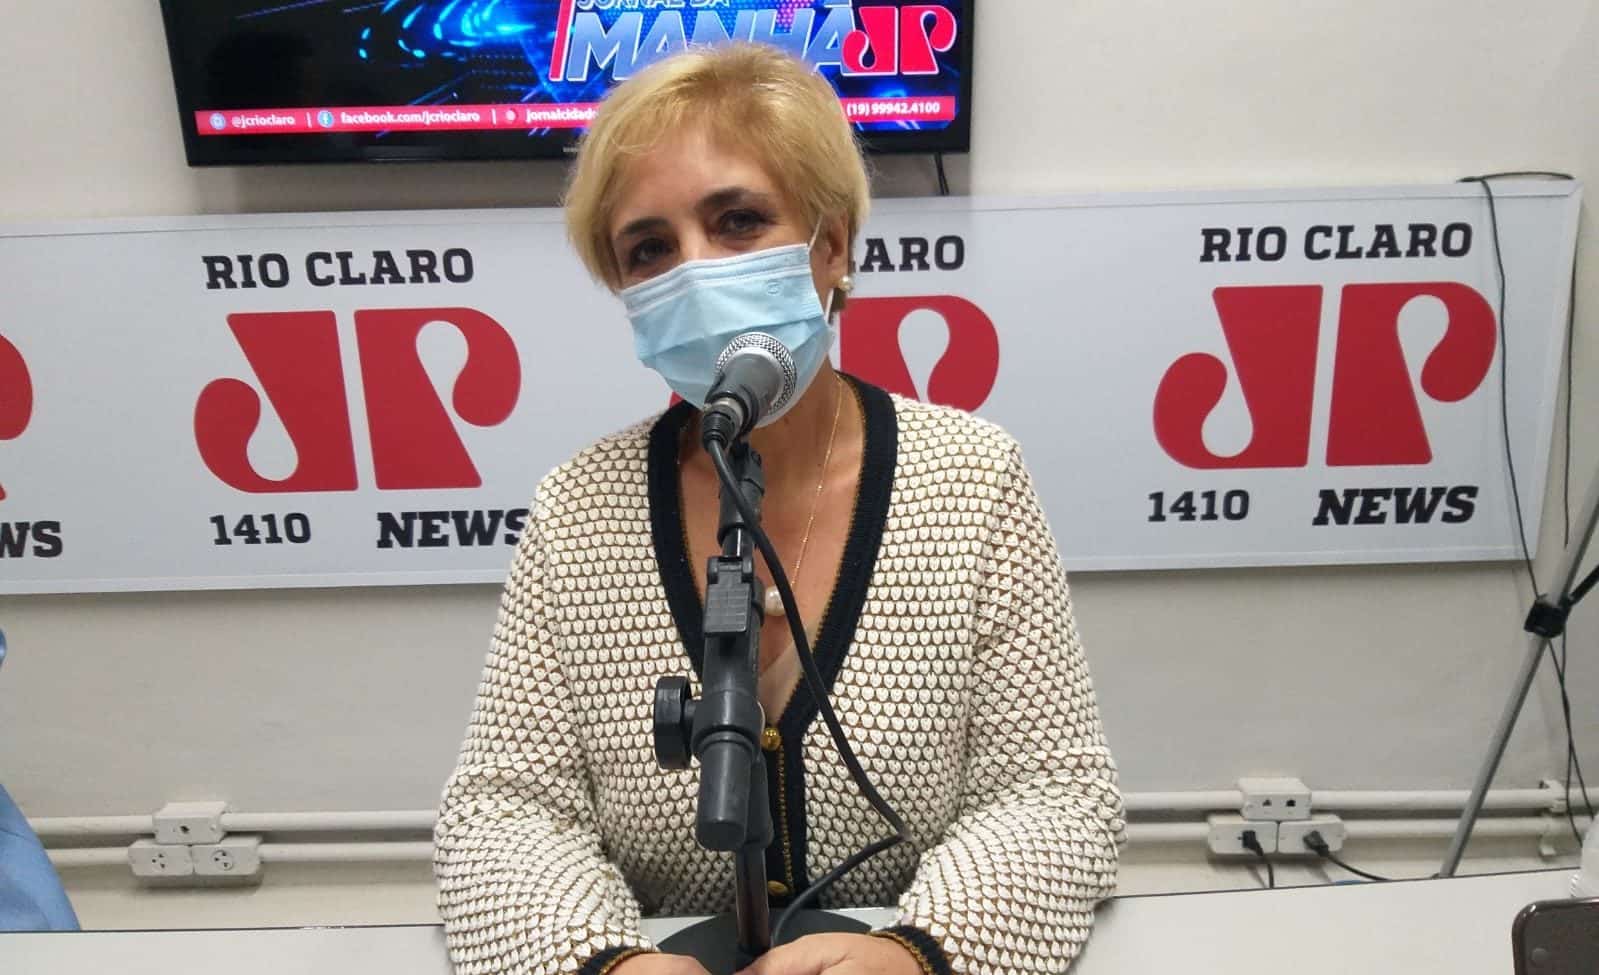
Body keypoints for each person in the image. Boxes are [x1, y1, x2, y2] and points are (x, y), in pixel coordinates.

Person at [434, 43, 1123, 975]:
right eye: (650, 248)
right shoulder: (576, 508)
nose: (694, 270)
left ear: (829, 246)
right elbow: (502, 811)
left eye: (738, 221)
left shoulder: (973, 477)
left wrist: (917, 953)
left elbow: (1054, 791)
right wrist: (605, 965)